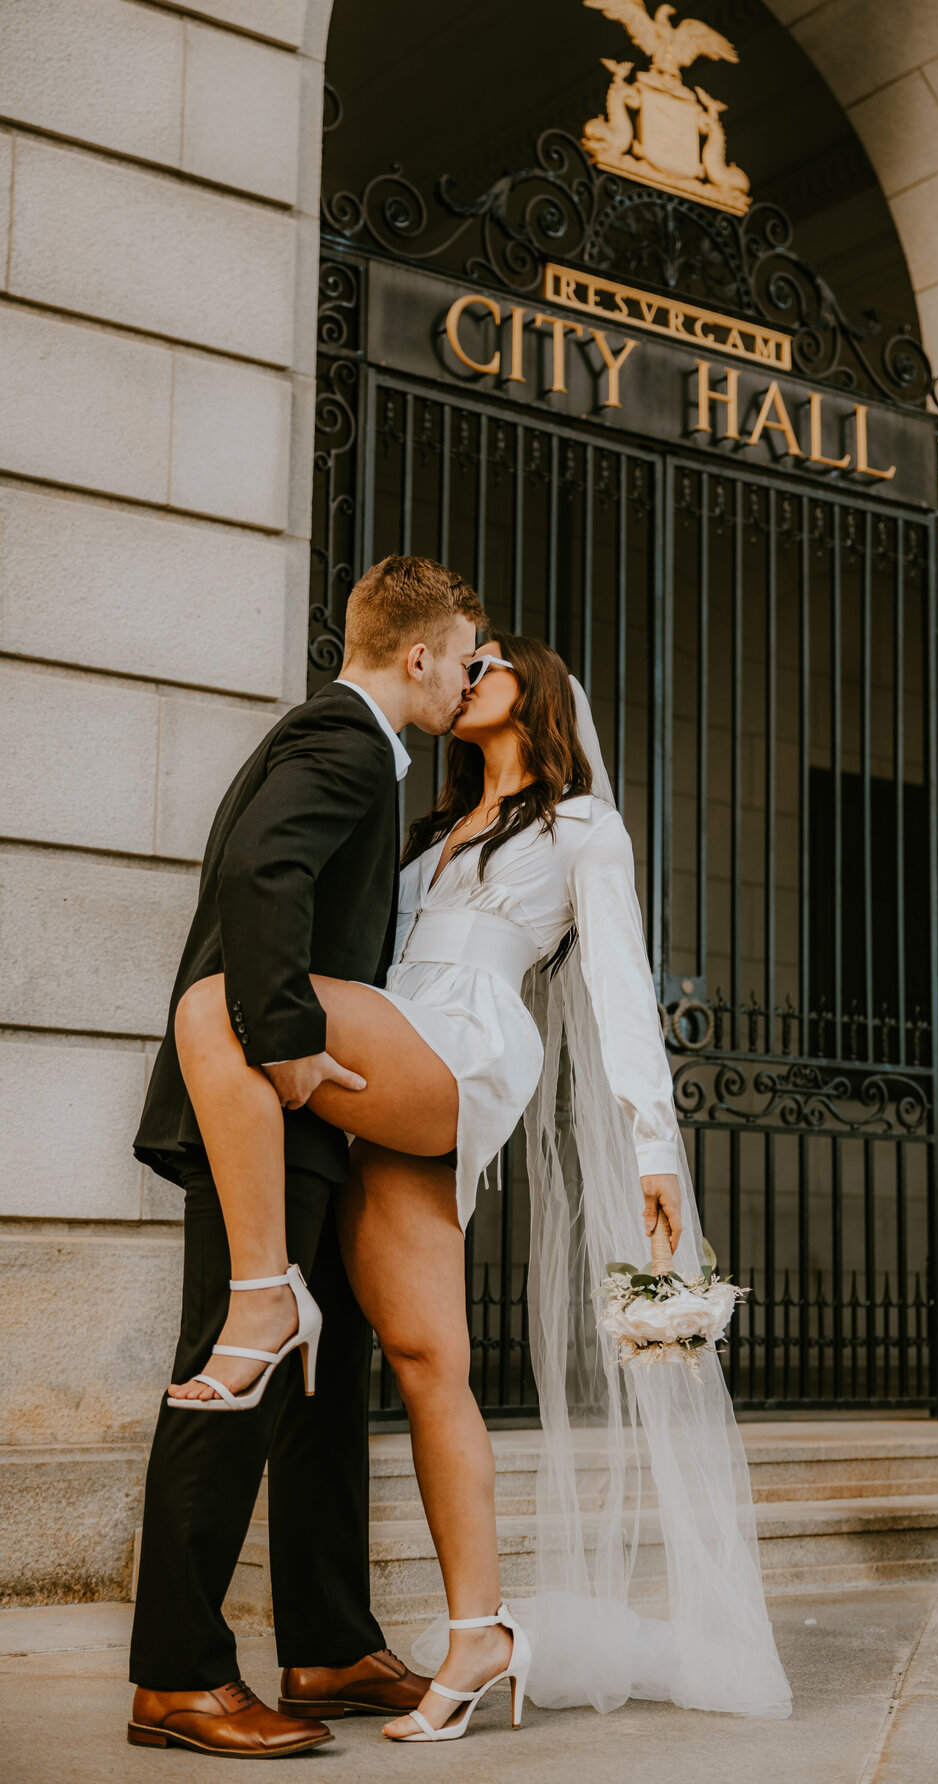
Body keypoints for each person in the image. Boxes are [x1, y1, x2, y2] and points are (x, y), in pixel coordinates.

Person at [166, 630, 793, 1740]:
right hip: (394, 1066)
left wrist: (655, 1147)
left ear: (536, 692)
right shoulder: (424, 836)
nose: (474, 670)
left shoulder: (584, 826)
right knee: (425, 1358)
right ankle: (480, 1633)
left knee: (224, 1002)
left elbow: (618, 985)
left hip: (460, 1050)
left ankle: (264, 1295)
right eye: (472, 655)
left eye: (493, 660)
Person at [127, 556, 488, 1758]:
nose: (469, 678)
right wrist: (286, 1046)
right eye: (463, 656)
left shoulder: (348, 745)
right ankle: (177, 1675)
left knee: (325, 1392)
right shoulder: (343, 740)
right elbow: (258, 874)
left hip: (310, 1121)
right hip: (263, 1110)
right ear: (418, 654)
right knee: (232, 1367)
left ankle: (329, 1640)